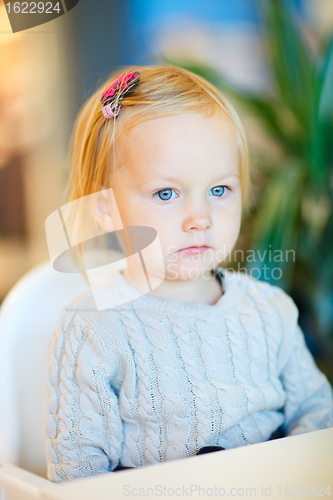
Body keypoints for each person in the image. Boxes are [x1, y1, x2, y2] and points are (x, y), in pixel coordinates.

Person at [45, 65, 333, 483]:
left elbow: (318, 417)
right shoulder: (91, 331)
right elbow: (79, 473)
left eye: (219, 190)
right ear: (106, 210)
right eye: (166, 193)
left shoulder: (270, 310)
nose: (200, 217)